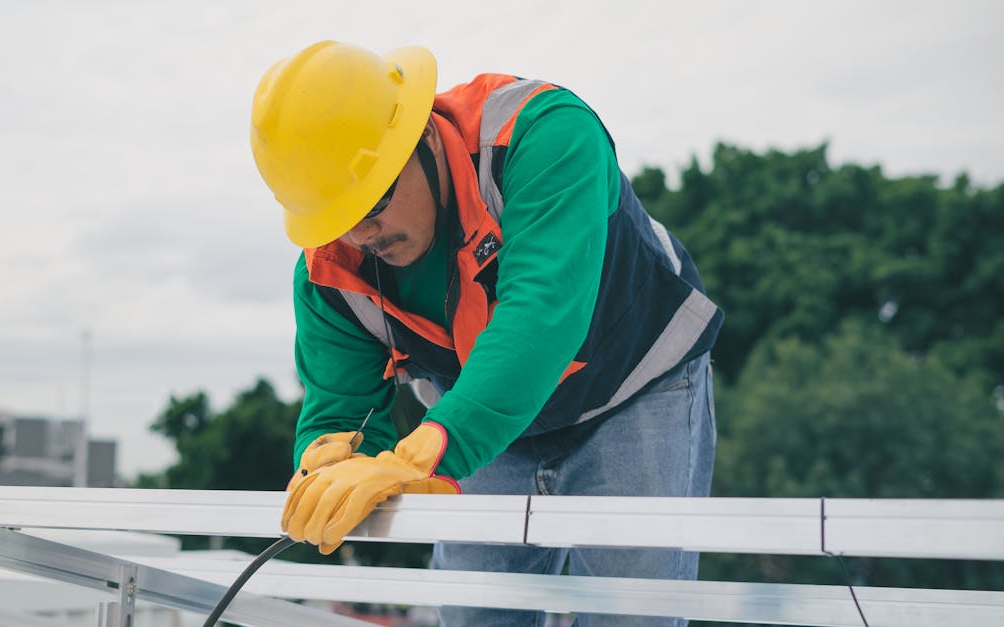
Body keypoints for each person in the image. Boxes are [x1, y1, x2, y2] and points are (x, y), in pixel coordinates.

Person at [251, 40, 721, 627]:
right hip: (478, 422)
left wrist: (434, 449)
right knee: (477, 615)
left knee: (633, 615)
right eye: (338, 219)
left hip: (633, 389)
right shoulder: (330, 274)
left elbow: (540, 317)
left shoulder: (543, 136)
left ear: (420, 137)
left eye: (374, 203)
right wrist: (328, 466)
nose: (363, 235)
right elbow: (343, 415)